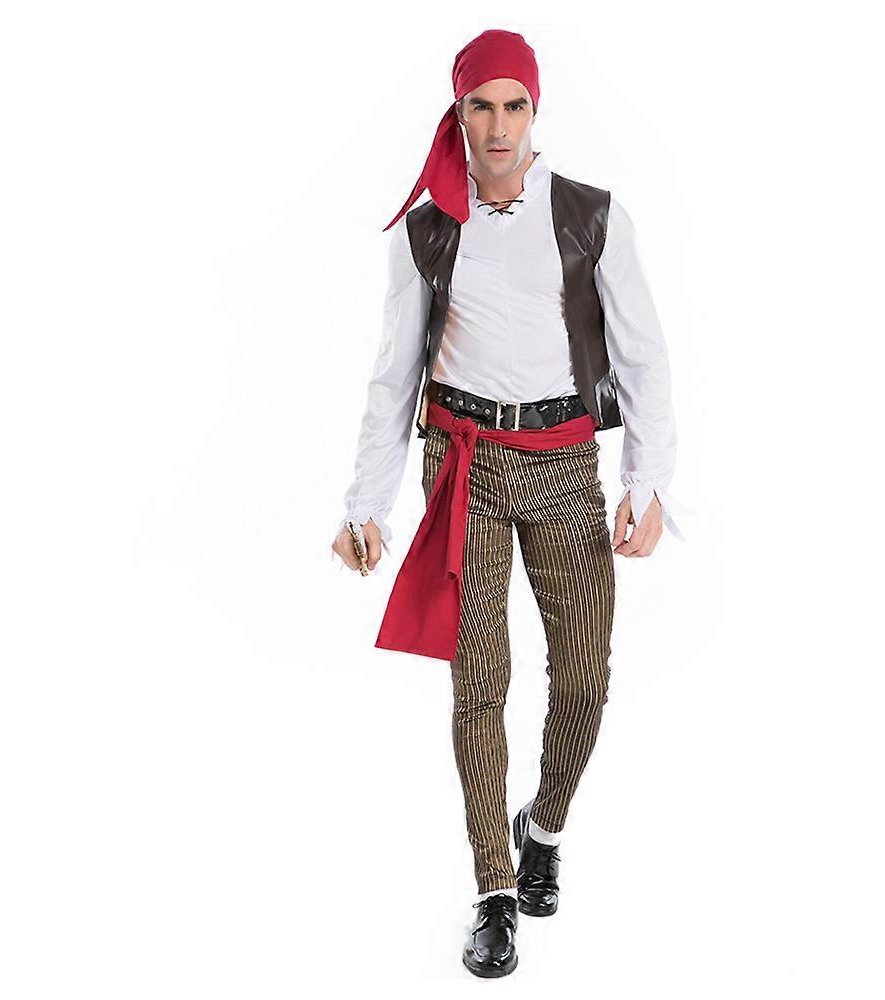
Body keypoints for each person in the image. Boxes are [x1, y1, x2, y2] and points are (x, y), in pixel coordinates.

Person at [331, 28, 688, 978]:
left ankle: (544, 826)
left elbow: (645, 355)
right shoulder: (427, 230)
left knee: (584, 679)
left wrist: (646, 482)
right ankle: (494, 889)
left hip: (564, 463)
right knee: (479, 680)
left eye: (515, 105)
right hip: (466, 464)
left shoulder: (590, 216)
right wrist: (367, 504)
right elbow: (393, 374)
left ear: (536, 110)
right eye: (481, 106)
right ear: (459, 112)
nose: (498, 126)